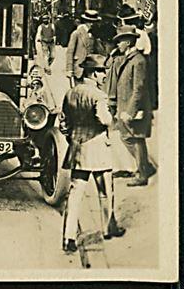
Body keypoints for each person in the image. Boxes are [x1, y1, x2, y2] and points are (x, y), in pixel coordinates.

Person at [61, 53, 125, 254]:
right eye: (101, 72)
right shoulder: (99, 96)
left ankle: (68, 237)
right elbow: (105, 120)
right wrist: (113, 118)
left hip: (77, 149)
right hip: (97, 148)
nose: (104, 76)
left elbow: (63, 123)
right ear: (93, 73)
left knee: (75, 195)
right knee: (105, 191)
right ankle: (108, 229)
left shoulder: (70, 93)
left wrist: (72, 137)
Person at [107, 25, 155, 187]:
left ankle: (143, 173)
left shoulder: (138, 61)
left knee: (135, 139)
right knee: (128, 137)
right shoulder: (129, 59)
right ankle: (145, 167)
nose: (118, 45)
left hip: (135, 108)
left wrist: (130, 110)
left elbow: (138, 88)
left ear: (127, 42)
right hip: (126, 106)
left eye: (120, 42)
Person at [66, 9, 101, 86]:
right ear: (85, 21)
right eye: (89, 22)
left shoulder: (93, 34)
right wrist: (69, 69)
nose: (91, 24)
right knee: (79, 90)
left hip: (90, 67)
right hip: (79, 67)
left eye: (93, 22)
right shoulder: (76, 33)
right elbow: (70, 52)